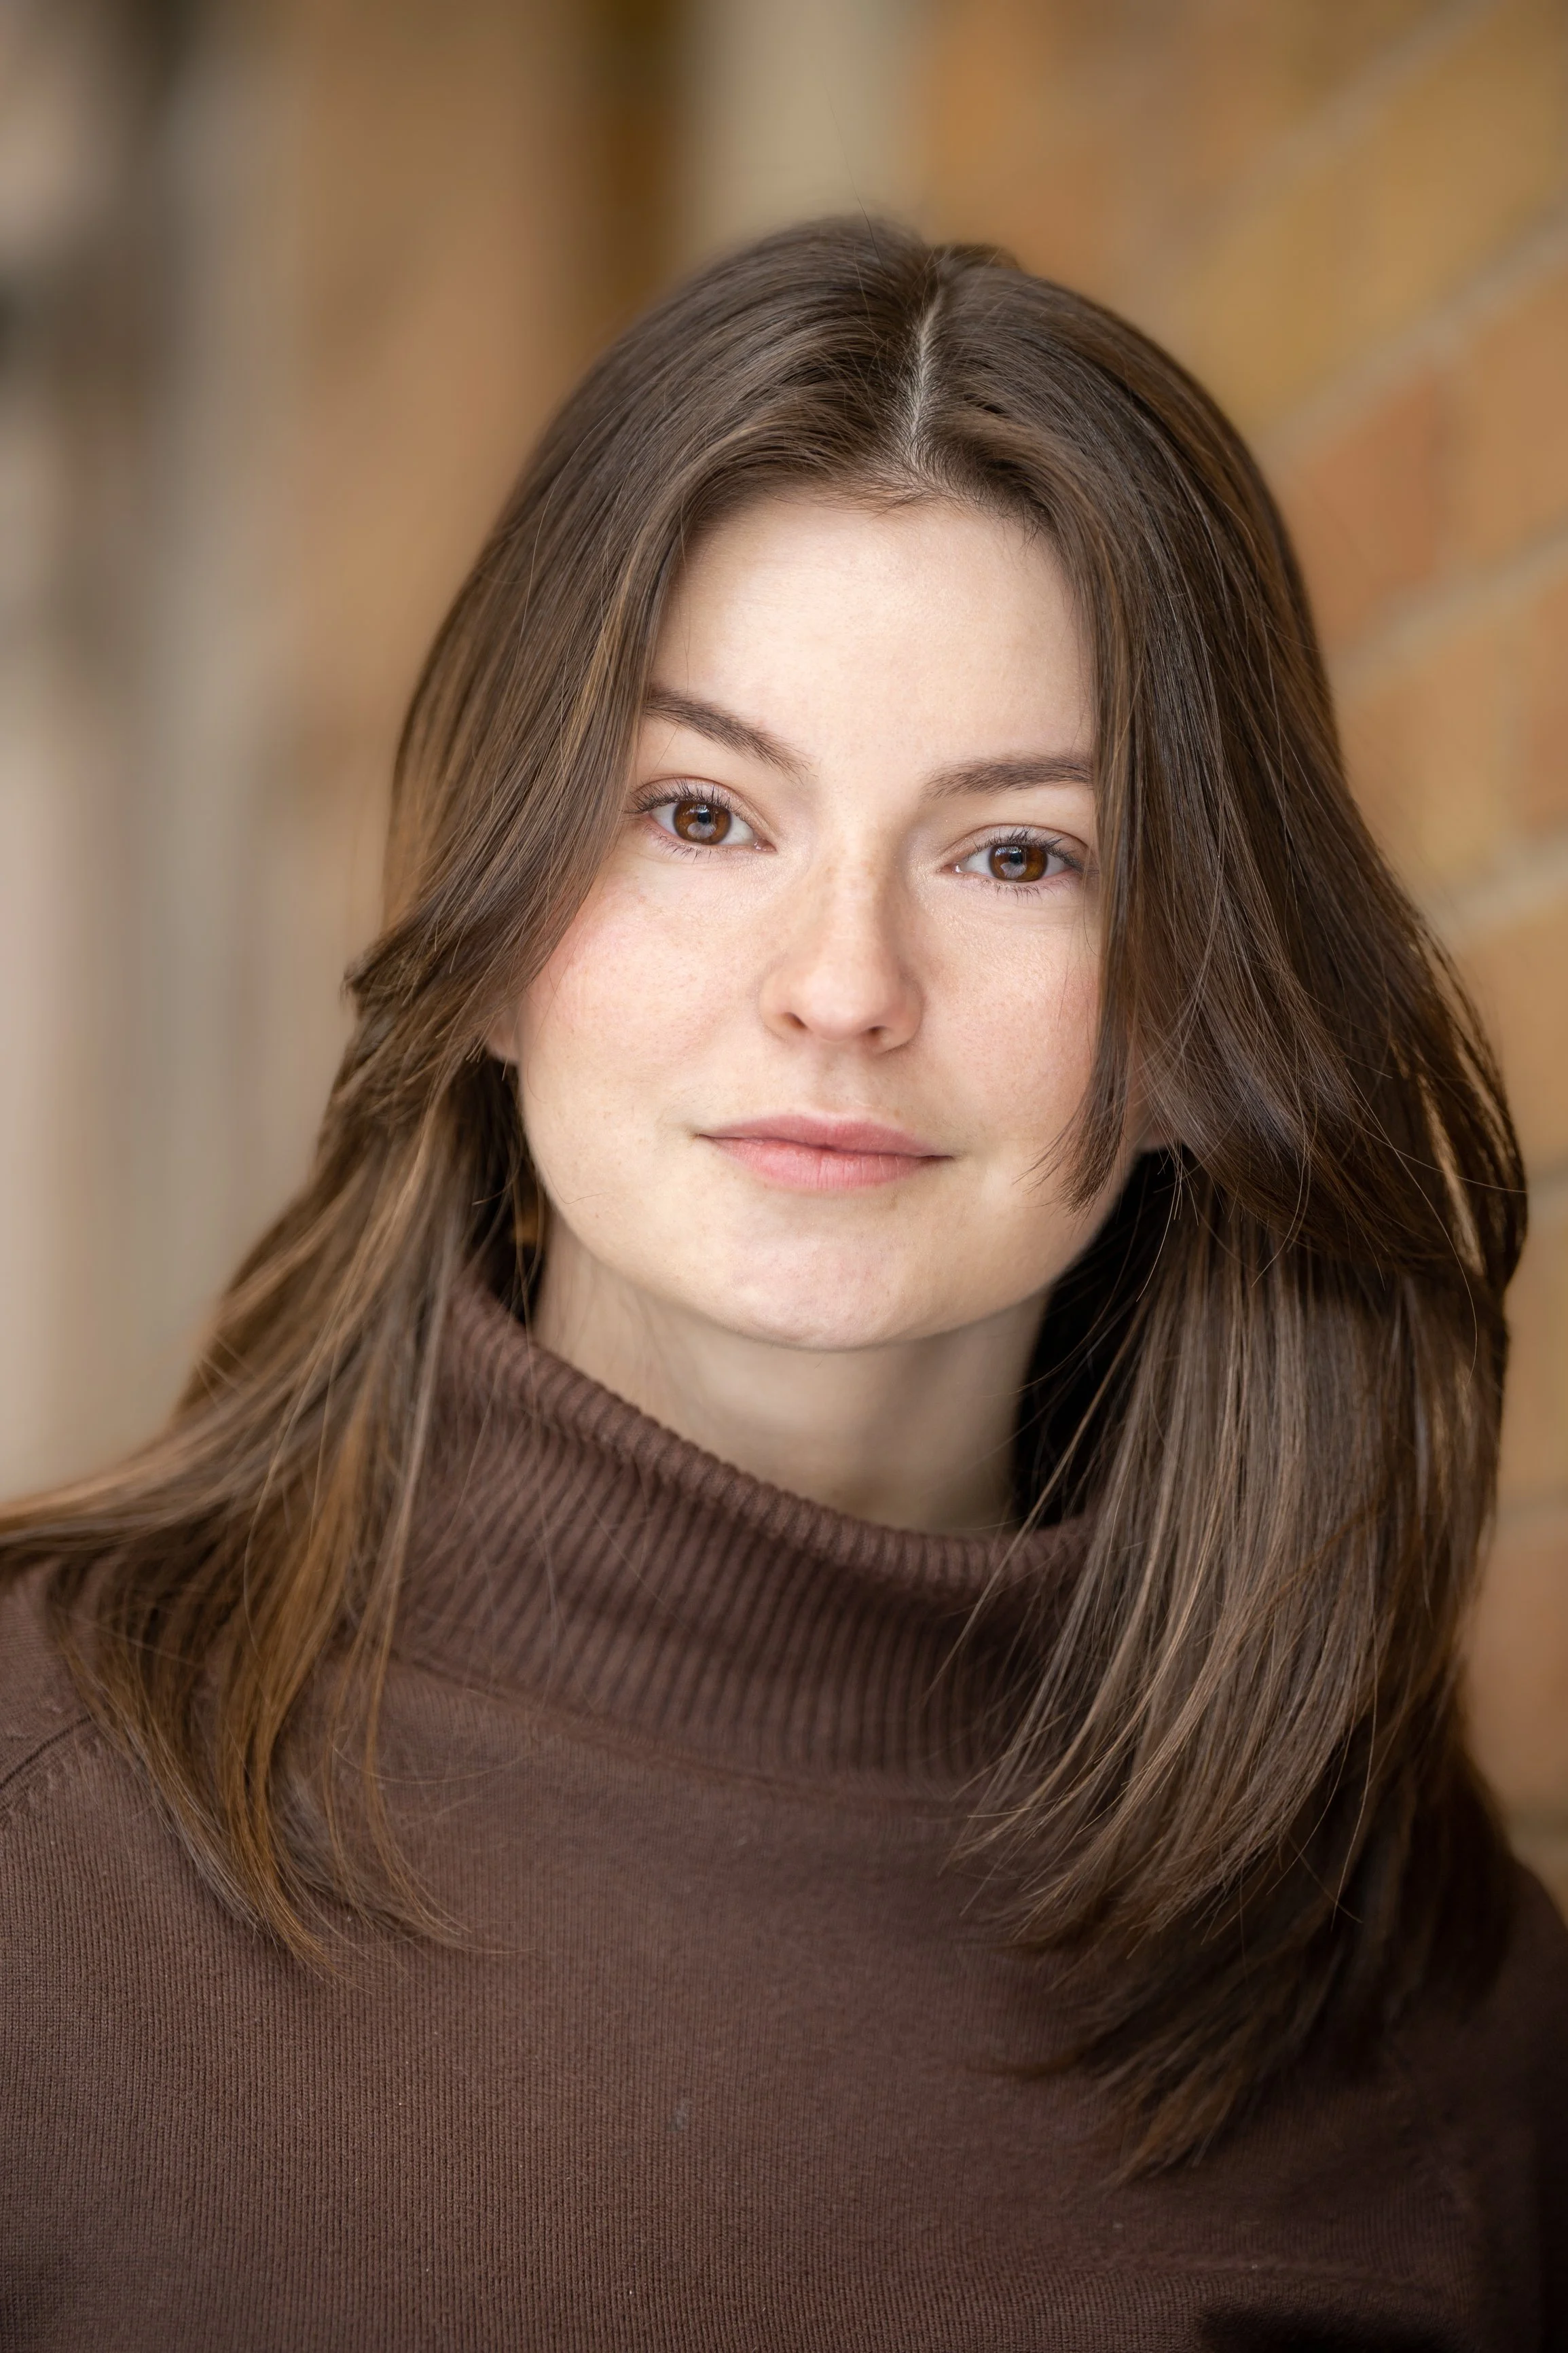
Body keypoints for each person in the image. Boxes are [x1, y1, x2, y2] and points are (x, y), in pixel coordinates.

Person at [1, 219, 1563, 2352]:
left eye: (1019, 854)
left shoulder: (1437, 2012)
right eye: (698, 812)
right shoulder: (39, 1808)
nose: (840, 988)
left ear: (1203, 1006)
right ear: (490, 926)